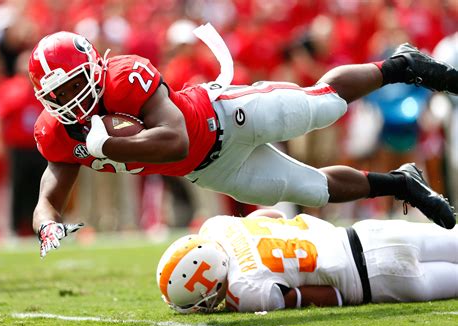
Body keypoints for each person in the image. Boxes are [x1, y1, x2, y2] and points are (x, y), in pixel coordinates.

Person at [28, 24, 457, 258]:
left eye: (73, 85)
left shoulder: (124, 76)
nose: (69, 99)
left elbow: (175, 139)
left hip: (225, 117)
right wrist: (47, 224)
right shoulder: (55, 131)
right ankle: (403, 184)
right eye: (58, 94)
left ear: (93, 67)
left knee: (324, 106)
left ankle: (401, 64)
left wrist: (111, 147)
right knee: (313, 189)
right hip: (211, 170)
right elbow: (50, 195)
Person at [156, 208, 458, 313]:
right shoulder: (217, 227)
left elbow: (334, 297)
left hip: (379, 279)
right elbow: (273, 217)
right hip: (368, 233)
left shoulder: (242, 291)